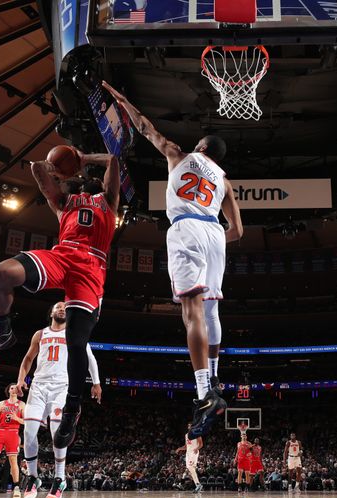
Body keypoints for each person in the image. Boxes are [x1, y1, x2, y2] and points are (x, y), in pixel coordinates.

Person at [101, 80, 243, 438]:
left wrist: (122, 98)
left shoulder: (179, 155)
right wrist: (215, 243)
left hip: (187, 228)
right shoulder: (225, 182)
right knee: (210, 312)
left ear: (201, 147)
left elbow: (145, 127)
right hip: (215, 234)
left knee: (190, 311)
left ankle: (202, 393)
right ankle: (213, 381)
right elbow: (238, 231)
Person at [0, 149, 120, 452]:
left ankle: (72, 409)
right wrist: (55, 167)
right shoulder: (65, 204)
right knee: (0, 274)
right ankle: (2, 330)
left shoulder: (109, 202)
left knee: (76, 342)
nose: (86, 182)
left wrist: (83, 156)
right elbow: (39, 172)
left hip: (91, 267)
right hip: (62, 255)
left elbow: (114, 162)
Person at [16, 301, 102, 498]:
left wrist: (96, 383)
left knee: (57, 434)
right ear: (51, 312)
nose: (62, 308)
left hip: (61, 387)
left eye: (65, 306)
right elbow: (28, 358)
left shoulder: (74, 333)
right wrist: (21, 379)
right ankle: (33, 477)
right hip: (38, 386)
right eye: (57, 306)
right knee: (28, 432)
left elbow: (90, 359)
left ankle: (59, 478)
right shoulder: (40, 334)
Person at [174, 423, 203, 493]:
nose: (190, 427)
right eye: (189, 426)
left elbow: (201, 444)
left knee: (190, 468)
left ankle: (198, 484)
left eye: (191, 425)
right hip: (188, 453)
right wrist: (179, 449)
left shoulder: (197, 434)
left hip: (194, 452)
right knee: (191, 470)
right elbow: (186, 446)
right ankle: (197, 485)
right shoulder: (186, 435)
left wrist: (197, 448)